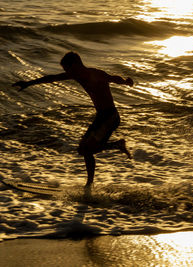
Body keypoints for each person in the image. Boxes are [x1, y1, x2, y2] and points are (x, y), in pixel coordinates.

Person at [13, 52, 133, 189]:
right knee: (83, 149)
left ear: (75, 65)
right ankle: (117, 145)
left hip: (110, 117)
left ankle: (89, 185)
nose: (66, 73)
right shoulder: (77, 75)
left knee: (87, 150)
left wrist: (125, 82)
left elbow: (112, 78)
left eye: (67, 69)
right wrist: (28, 83)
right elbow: (52, 78)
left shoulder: (95, 74)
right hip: (101, 117)